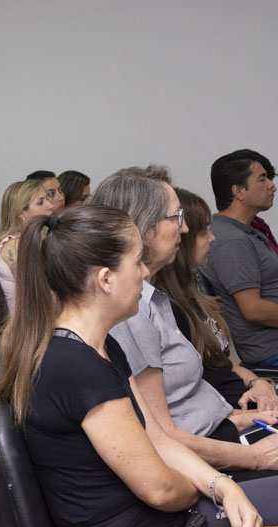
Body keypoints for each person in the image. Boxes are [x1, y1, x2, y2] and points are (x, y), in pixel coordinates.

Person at [0, 205, 276, 527]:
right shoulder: (75, 366)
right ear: (105, 279)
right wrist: (211, 488)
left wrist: (222, 485)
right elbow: (162, 491)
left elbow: (156, 438)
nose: (145, 272)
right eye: (138, 261)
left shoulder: (101, 346)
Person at [90, 166, 278, 475]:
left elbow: (183, 405)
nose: (186, 229)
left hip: (223, 431)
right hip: (207, 461)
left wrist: (238, 418)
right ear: (142, 227)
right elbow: (163, 439)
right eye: (176, 218)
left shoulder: (154, 298)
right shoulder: (129, 313)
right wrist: (257, 456)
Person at [152, 187, 278, 411]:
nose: (212, 238)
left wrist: (257, 382)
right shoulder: (166, 308)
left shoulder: (192, 292)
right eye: (203, 233)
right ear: (183, 242)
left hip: (244, 398)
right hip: (231, 412)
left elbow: (221, 361)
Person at [200, 149, 278, 367]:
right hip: (271, 353)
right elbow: (253, 309)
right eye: (262, 179)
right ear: (239, 192)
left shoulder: (246, 231)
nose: (272, 185)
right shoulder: (232, 240)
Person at [0, 180, 53, 312]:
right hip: (32, 325)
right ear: (21, 212)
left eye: (48, 199)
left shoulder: (36, 241)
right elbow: (36, 292)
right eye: (41, 202)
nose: (50, 206)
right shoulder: (14, 245)